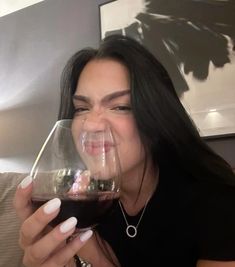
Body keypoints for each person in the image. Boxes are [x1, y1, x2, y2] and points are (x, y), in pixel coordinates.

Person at [14, 34, 235, 267]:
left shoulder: (217, 204)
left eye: (120, 107)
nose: (90, 124)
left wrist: (100, 260)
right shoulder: (86, 204)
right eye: (81, 108)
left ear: (156, 117)